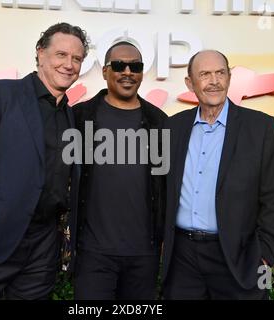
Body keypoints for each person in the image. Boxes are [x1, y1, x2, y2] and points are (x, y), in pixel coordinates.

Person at [0, 22, 88, 300]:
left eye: (77, 58)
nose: (69, 64)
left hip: (43, 246)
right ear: (40, 54)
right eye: (61, 55)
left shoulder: (70, 116)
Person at [162, 50, 274, 299]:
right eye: (205, 74)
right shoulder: (173, 127)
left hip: (238, 256)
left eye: (221, 73)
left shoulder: (261, 127)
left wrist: (264, 256)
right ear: (190, 83)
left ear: (230, 77)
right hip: (182, 259)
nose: (214, 81)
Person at [72, 39, 167, 300]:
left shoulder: (159, 122)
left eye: (134, 66)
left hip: (144, 256)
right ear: (105, 71)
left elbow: (166, 184)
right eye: (119, 65)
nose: (127, 72)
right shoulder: (79, 117)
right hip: (93, 254)